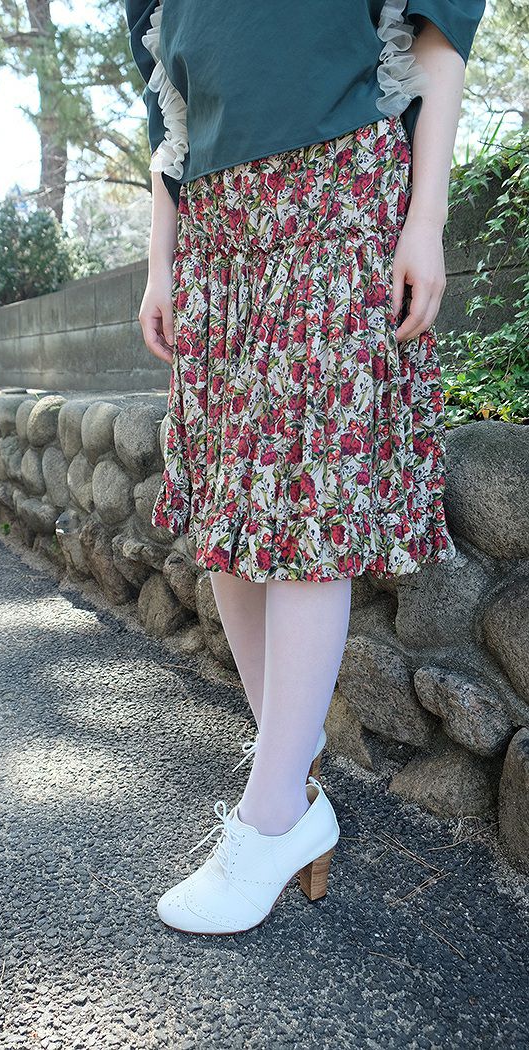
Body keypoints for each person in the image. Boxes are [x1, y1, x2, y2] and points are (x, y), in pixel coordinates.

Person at [124, 0, 485, 936]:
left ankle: (274, 814)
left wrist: (425, 220)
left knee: (304, 503)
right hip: (215, 234)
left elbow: (436, 39)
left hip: (338, 197)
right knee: (230, 516)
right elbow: (170, 109)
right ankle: (291, 774)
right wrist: (161, 260)